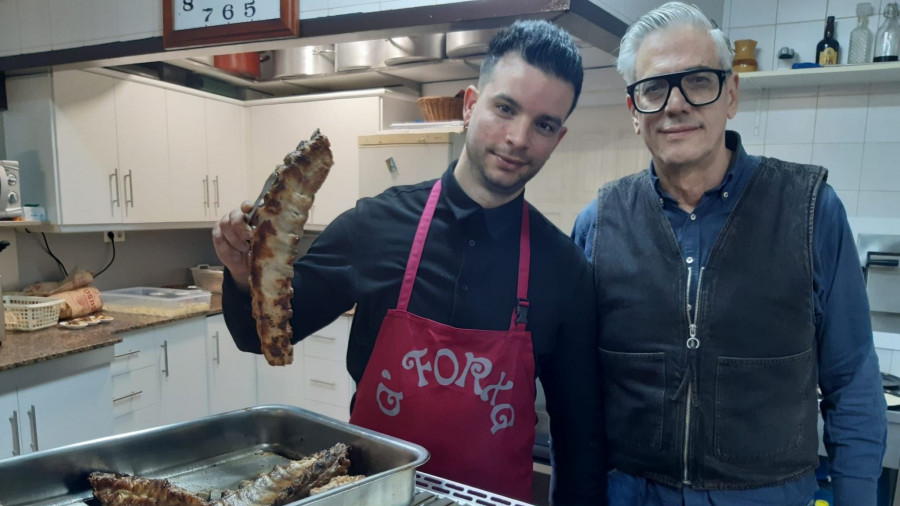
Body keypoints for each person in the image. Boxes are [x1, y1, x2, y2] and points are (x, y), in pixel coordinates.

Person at [214, 20, 605, 504]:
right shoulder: (373, 227)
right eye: (505, 108)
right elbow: (262, 335)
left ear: (558, 136)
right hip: (373, 497)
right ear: (469, 105)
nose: (518, 138)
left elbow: (580, 438)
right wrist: (239, 271)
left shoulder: (564, 270)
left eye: (543, 124)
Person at [571, 3, 886, 506]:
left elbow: (851, 381)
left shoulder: (810, 211)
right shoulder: (599, 224)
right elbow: (577, 390)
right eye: (653, 88)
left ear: (731, 94)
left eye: (697, 81)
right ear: (634, 111)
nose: (675, 105)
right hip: (631, 495)